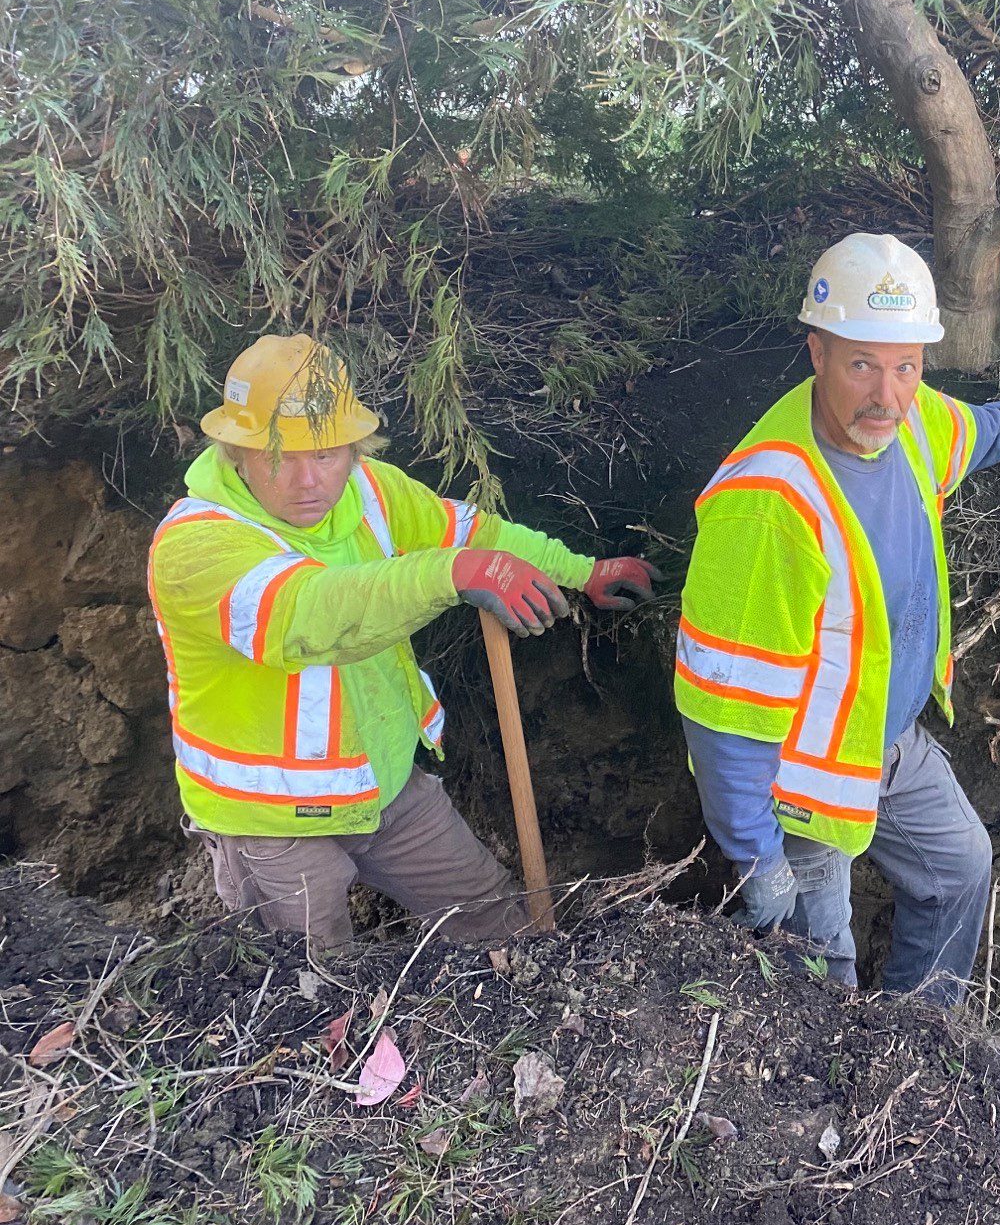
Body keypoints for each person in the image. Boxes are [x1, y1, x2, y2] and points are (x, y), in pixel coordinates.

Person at [149, 333, 661, 946]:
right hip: (272, 823)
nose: (309, 481)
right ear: (237, 454)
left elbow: (470, 532)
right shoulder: (195, 545)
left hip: (383, 785)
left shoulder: (372, 491)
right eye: (279, 456)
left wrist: (582, 572)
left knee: (507, 934)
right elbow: (312, 615)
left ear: (354, 448)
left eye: (329, 454)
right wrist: (451, 574)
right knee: (313, 991)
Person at [674, 232, 1000, 1004]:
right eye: (861, 363)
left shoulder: (910, 423)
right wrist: (758, 862)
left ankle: (922, 1034)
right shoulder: (772, 505)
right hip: (802, 784)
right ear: (816, 352)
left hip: (882, 744)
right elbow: (723, 706)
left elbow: (964, 432)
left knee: (959, 867)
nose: (887, 393)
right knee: (825, 979)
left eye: (906, 365)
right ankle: (839, 1088)